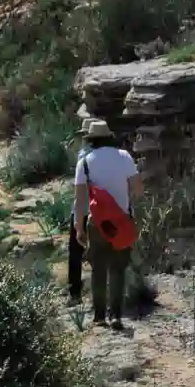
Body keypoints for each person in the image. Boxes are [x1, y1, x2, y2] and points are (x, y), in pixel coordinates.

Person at [74, 118, 141, 332]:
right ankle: (116, 316)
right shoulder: (124, 157)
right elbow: (137, 190)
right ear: (108, 137)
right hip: (122, 221)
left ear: (91, 140)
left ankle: (99, 316)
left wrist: (79, 227)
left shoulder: (84, 162)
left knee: (98, 270)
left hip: (98, 225)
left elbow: (80, 200)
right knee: (118, 270)